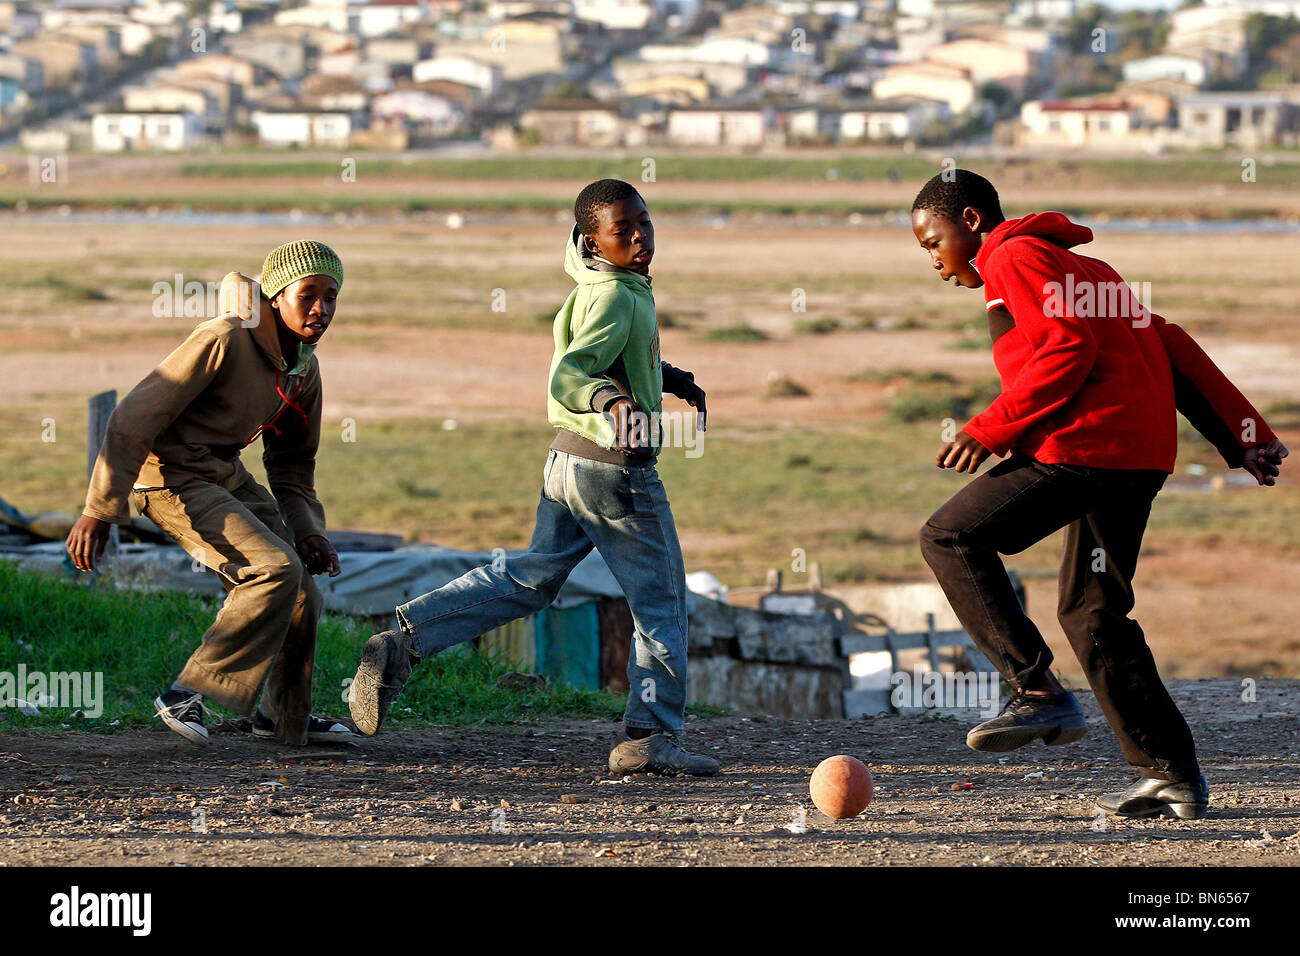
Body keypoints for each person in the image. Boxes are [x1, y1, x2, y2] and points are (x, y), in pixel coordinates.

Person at [910, 169, 1288, 820]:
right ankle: (1169, 774)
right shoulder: (1087, 268)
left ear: (969, 221)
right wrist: (1243, 433)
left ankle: (1036, 690)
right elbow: (1169, 345)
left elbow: (1067, 346)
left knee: (949, 537)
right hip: (1134, 457)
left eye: (931, 242)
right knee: (1093, 614)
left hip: (1084, 451)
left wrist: (990, 427)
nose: (935, 263)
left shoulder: (1012, 255)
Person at [347, 179, 719, 777]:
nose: (641, 238)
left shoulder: (601, 286)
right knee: (662, 603)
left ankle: (406, 638)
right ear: (593, 240)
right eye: (623, 232)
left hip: (566, 465)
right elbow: (572, 373)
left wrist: (667, 377)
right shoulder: (618, 296)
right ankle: (652, 737)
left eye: (645, 225)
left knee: (533, 577)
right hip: (616, 474)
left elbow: (611, 351)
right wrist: (611, 402)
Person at [66, 240, 353, 747]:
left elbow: (291, 463)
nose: (321, 309)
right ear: (274, 295)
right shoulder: (223, 338)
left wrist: (308, 530)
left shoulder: (303, 368)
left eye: (332, 297)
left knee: (302, 590)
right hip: (168, 476)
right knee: (272, 569)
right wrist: (100, 509)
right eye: (308, 293)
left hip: (223, 473)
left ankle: (281, 718)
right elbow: (134, 418)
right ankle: (185, 692)